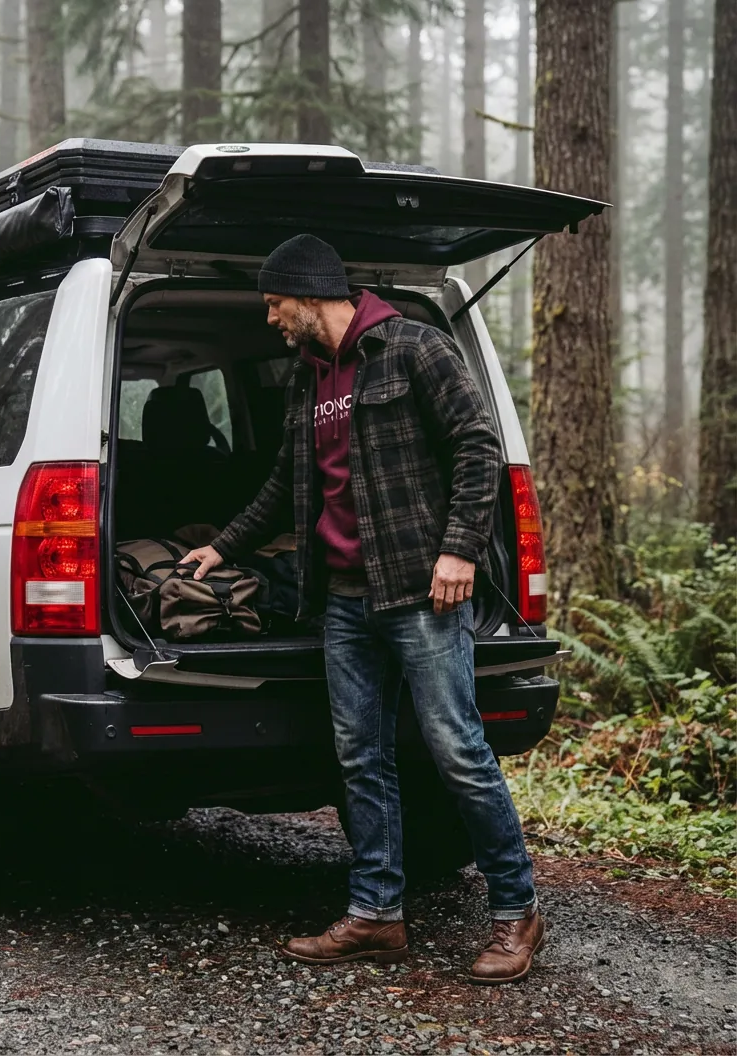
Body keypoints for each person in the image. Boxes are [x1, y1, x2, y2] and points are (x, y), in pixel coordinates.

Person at [181, 233, 545, 984]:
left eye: (277, 305)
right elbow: (286, 482)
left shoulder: (413, 347)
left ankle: (516, 912)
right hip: (344, 602)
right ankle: (376, 917)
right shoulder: (306, 379)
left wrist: (460, 551)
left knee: (459, 752)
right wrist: (224, 547)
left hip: (420, 591)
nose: (273, 320)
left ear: (311, 294)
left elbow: (478, 449)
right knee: (361, 759)